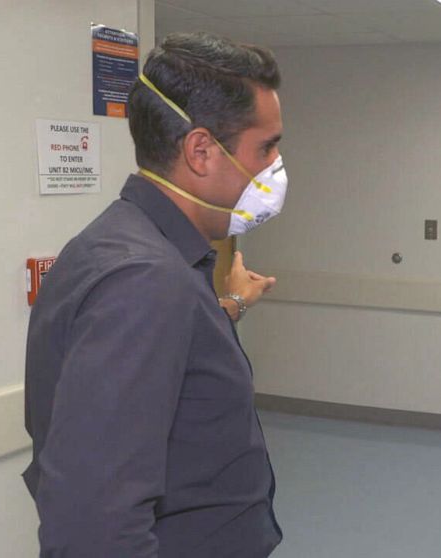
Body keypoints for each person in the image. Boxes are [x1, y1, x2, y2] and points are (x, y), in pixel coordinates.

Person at [24, 32, 287, 557]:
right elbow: (93, 525)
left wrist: (229, 308)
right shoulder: (145, 280)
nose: (275, 168)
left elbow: (167, 370)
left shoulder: (130, 248)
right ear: (201, 150)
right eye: (266, 146)